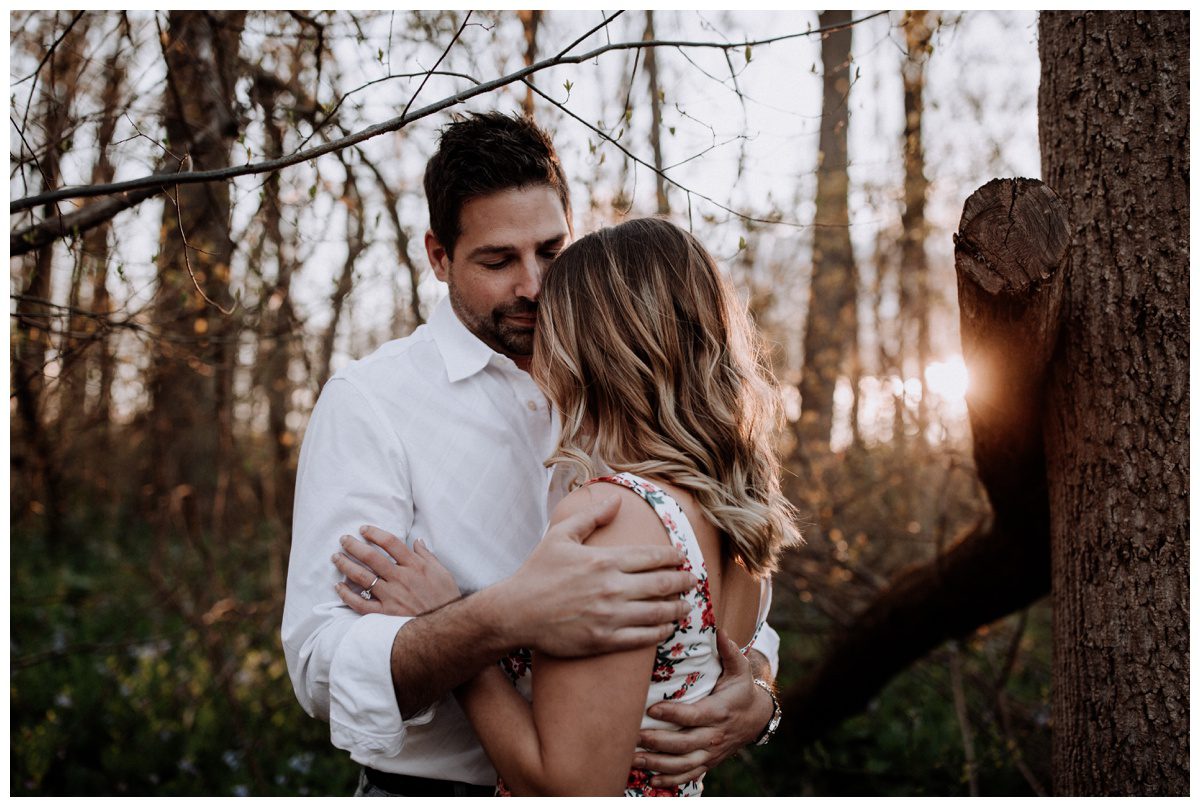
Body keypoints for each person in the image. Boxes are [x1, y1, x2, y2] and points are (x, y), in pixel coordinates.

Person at [282, 112, 782, 797]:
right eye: (498, 261)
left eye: (551, 250)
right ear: (438, 256)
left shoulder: (627, 411)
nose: (535, 285)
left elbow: (723, 623)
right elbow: (320, 665)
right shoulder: (371, 402)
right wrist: (489, 621)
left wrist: (760, 695)